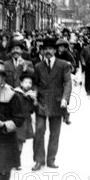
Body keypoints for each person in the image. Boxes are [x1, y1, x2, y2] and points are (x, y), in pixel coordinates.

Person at [32, 37, 72, 171]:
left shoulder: (63, 65)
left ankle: (51, 159)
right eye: (45, 49)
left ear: (55, 50)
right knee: (39, 130)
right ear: (42, 51)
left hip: (57, 102)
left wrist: (65, 99)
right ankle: (39, 160)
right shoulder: (38, 67)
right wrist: (34, 95)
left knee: (55, 132)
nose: (47, 52)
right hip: (42, 102)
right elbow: (35, 84)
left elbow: (67, 83)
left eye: (50, 49)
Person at [14, 72, 37, 170]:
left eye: (30, 83)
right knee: (16, 140)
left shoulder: (30, 95)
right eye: (26, 82)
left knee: (21, 141)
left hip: (25, 121)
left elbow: (32, 110)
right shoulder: (16, 93)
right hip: (16, 120)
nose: (28, 84)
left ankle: (17, 161)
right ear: (21, 83)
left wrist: (34, 100)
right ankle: (15, 160)